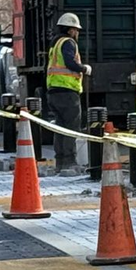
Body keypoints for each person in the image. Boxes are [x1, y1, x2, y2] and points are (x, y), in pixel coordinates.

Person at [45, 11, 90, 175]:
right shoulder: (68, 43)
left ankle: (60, 162)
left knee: (60, 127)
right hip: (67, 91)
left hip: (54, 91)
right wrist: (84, 68)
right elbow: (70, 63)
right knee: (71, 127)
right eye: (76, 30)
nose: (77, 33)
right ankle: (70, 162)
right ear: (71, 30)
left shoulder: (55, 43)